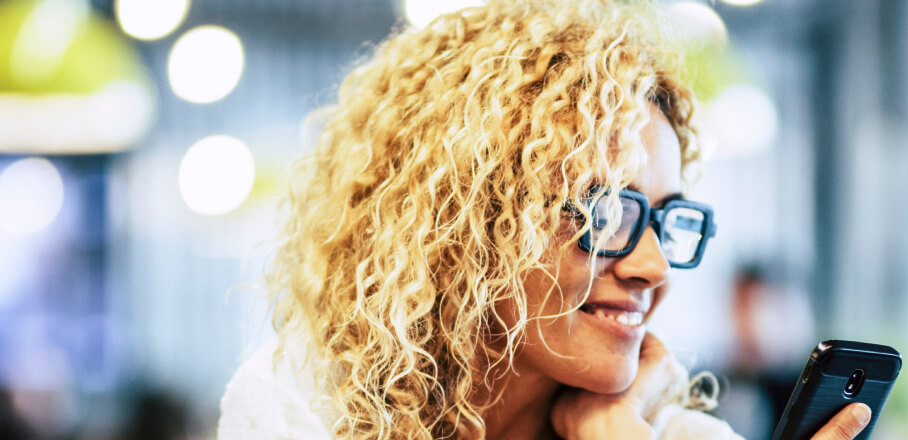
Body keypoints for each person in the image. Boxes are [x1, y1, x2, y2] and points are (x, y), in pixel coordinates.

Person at [217, 1, 872, 438]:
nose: (654, 266)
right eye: (606, 211)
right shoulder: (304, 405)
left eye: (669, 221)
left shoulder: (668, 432)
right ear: (467, 223)